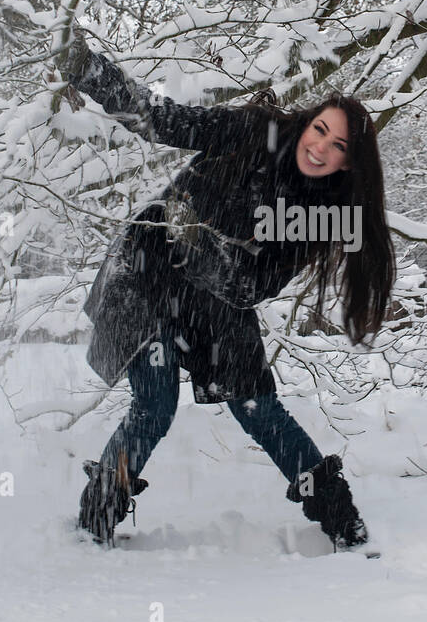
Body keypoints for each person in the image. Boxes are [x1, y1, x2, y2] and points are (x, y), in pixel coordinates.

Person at [53, 32, 396, 550]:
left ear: (349, 161)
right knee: (155, 401)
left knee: (259, 404)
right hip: (148, 269)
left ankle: (338, 517)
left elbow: (249, 285)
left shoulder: (318, 217)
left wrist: (199, 241)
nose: (320, 146)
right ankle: (95, 520)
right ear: (308, 123)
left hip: (217, 295)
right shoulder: (253, 131)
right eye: (319, 129)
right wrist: (87, 68)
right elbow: (163, 119)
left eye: (338, 145)